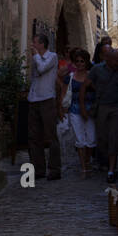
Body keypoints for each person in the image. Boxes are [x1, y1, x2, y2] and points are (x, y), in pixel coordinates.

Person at [89, 42, 118, 183]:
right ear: (107, 59)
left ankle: (112, 169)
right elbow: (87, 84)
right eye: (116, 60)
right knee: (102, 138)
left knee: (114, 136)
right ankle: (105, 162)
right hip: (102, 107)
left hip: (116, 107)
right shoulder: (97, 70)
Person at [27, 33, 61, 181]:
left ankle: (54, 169)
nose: (32, 45)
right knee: (34, 136)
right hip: (34, 98)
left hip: (47, 99)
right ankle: (38, 169)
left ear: (42, 44)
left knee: (50, 135)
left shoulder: (52, 57)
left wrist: (35, 56)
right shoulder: (37, 59)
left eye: (35, 43)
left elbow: (41, 69)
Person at [59, 48, 96, 176]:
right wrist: (62, 109)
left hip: (90, 109)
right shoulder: (69, 78)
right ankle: (83, 166)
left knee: (91, 139)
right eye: (77, 61)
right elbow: (63, 93)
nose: (80, 64)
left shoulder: (92, 76)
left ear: (86, 62)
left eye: (82, 61)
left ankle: (87, 160)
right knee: (80, 139)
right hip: (74, 109)